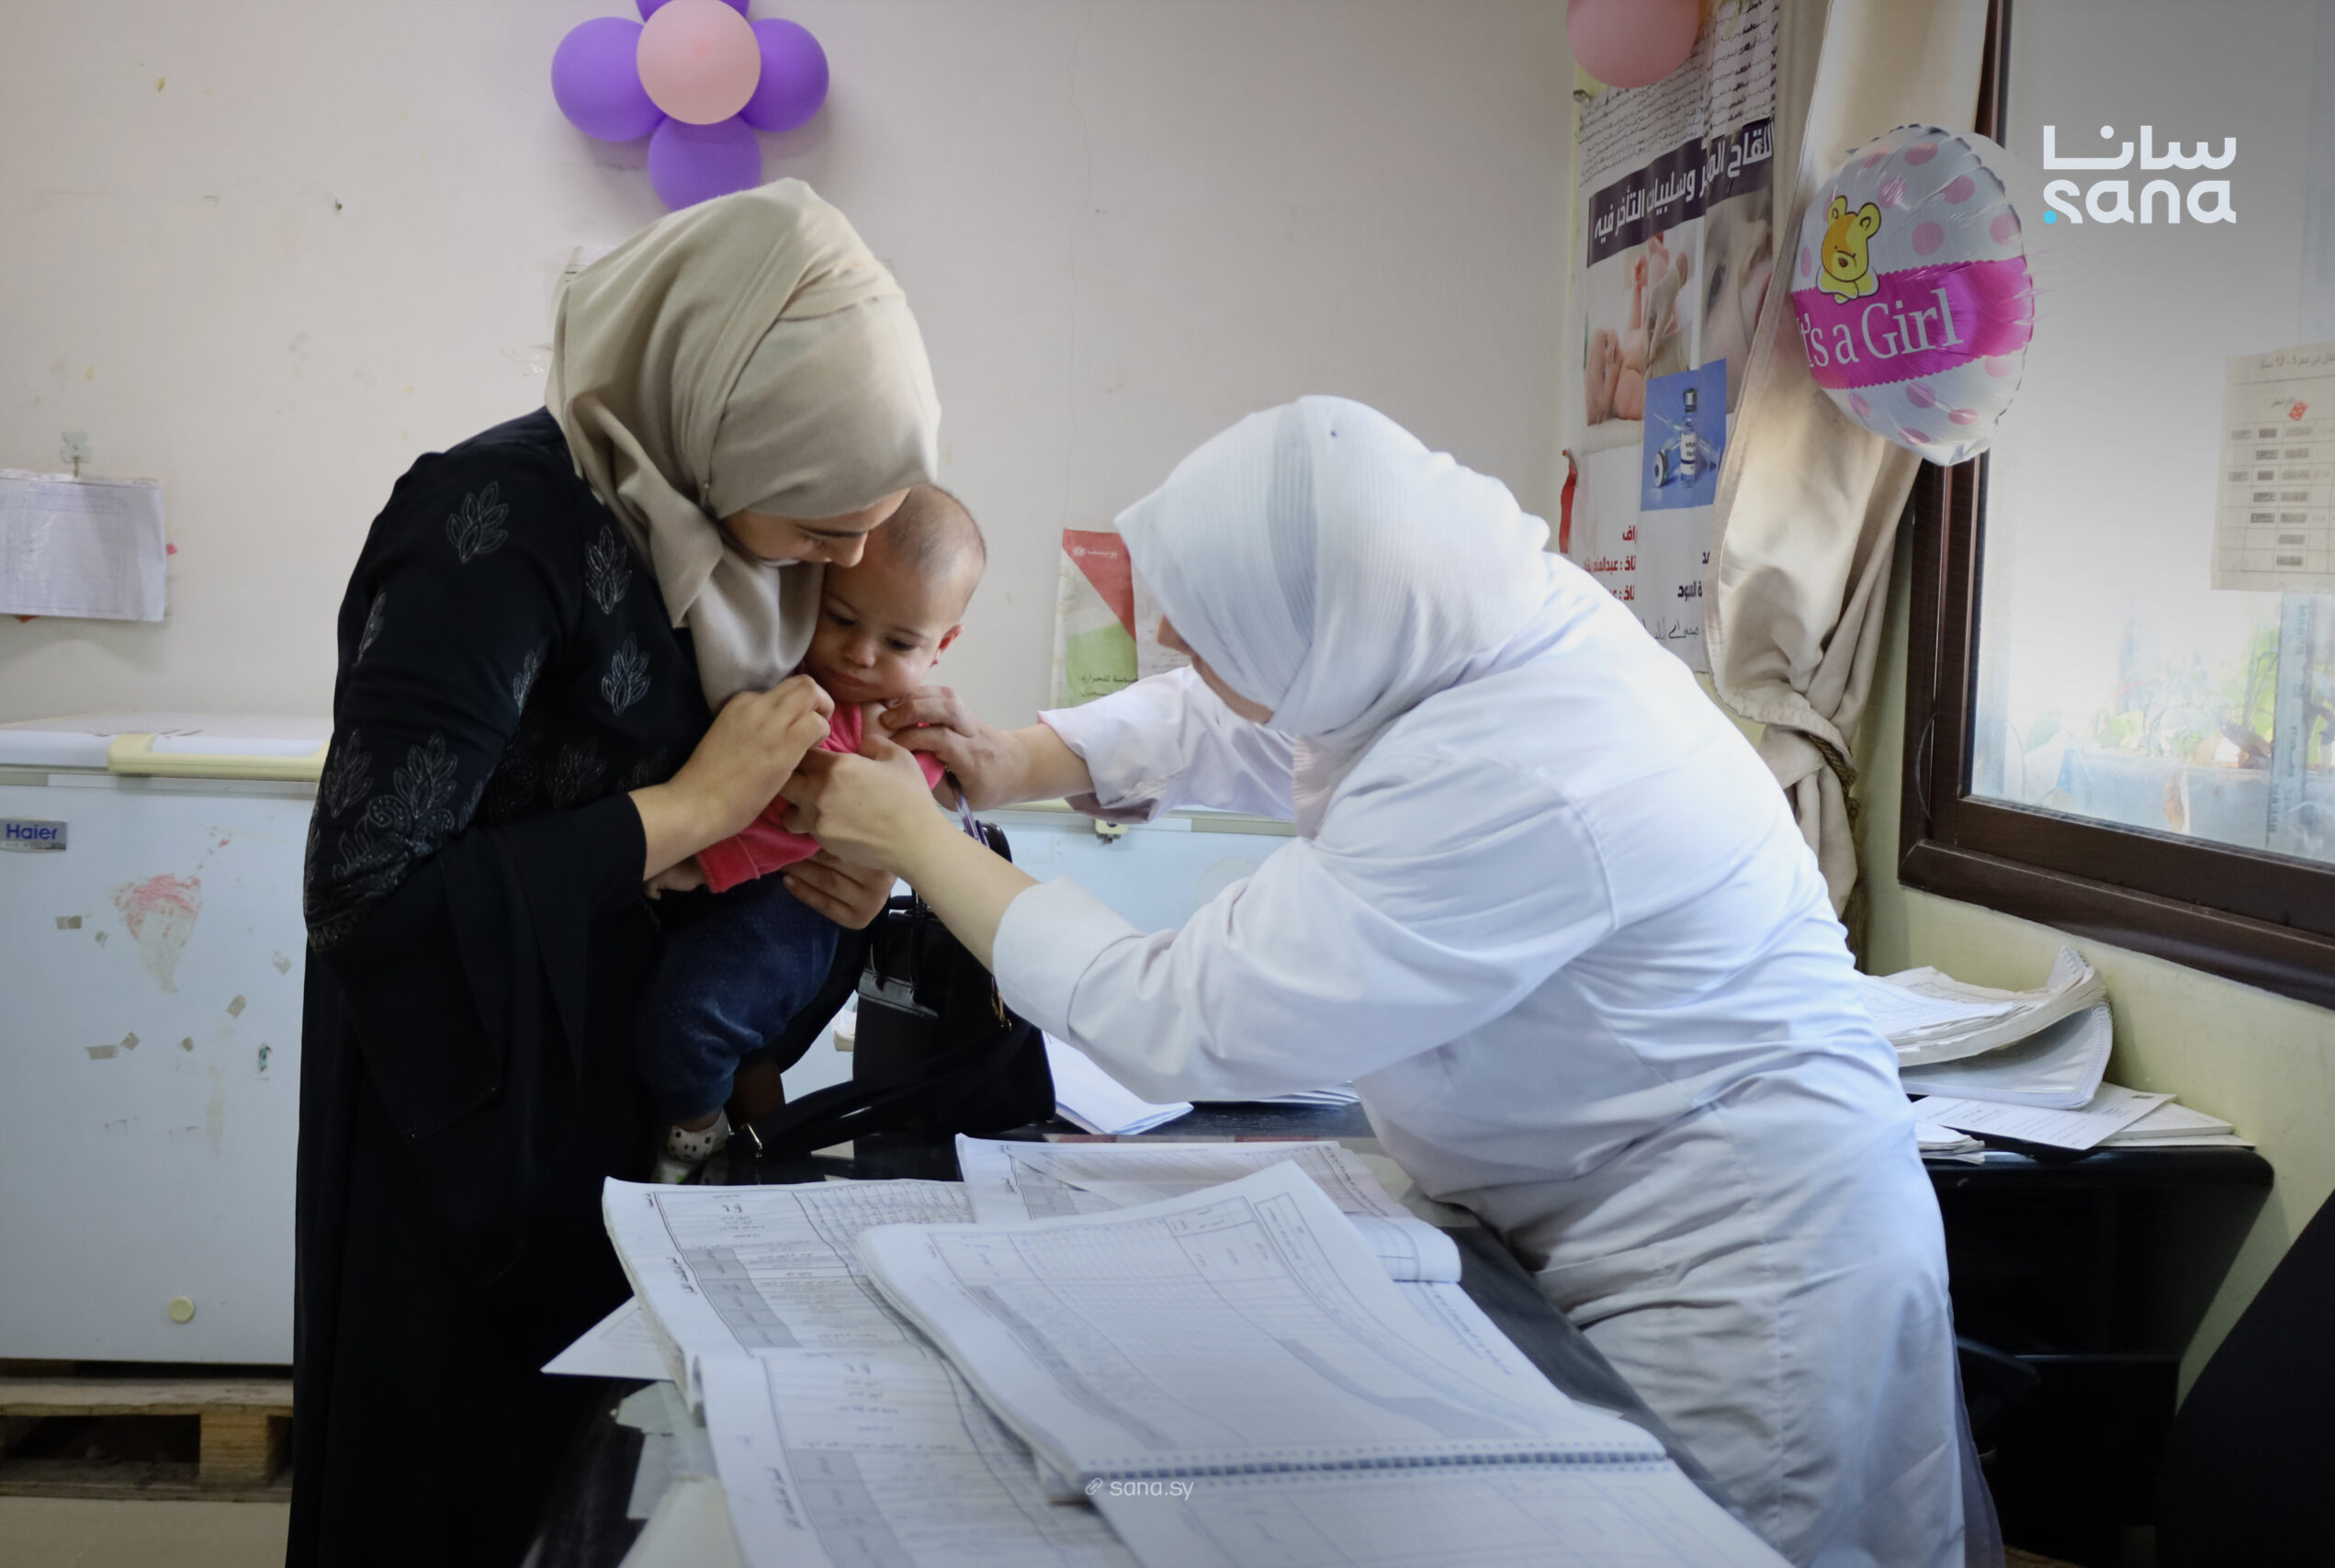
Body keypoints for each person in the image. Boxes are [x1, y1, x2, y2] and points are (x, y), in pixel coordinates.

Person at [783, 397, 1996, 1568]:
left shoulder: (1528, 765)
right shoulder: (1458, 620)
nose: (1188, 656)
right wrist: (1016, 759)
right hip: (1585, 1211)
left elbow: (1179, 1014)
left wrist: (920, 840)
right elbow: (1255, 717)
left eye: (1208, 636)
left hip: (1740, 1277)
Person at [290, 180, 936, 1567]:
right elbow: (362, 889)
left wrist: (830, 883)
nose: (846, 562)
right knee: (459, 1475)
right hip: (464, 1096)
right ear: (721, 416)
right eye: (824, 525)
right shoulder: (488, 528)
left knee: (606, 1479)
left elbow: (733, 828)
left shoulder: (723, 539)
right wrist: (690, 809)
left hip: (614, 1087)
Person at [634, 485, 984, 1180]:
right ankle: (773, 1153)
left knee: (690, 1025)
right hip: (743, 894)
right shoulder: (781, 667)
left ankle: (694, 1141)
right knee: (748, 1053)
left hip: (791, 905)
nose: (860, 653)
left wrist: (700, 863)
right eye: (842, 617)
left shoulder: (900, 735)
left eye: (899, 642)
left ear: (943, 644)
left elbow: (809, 825)